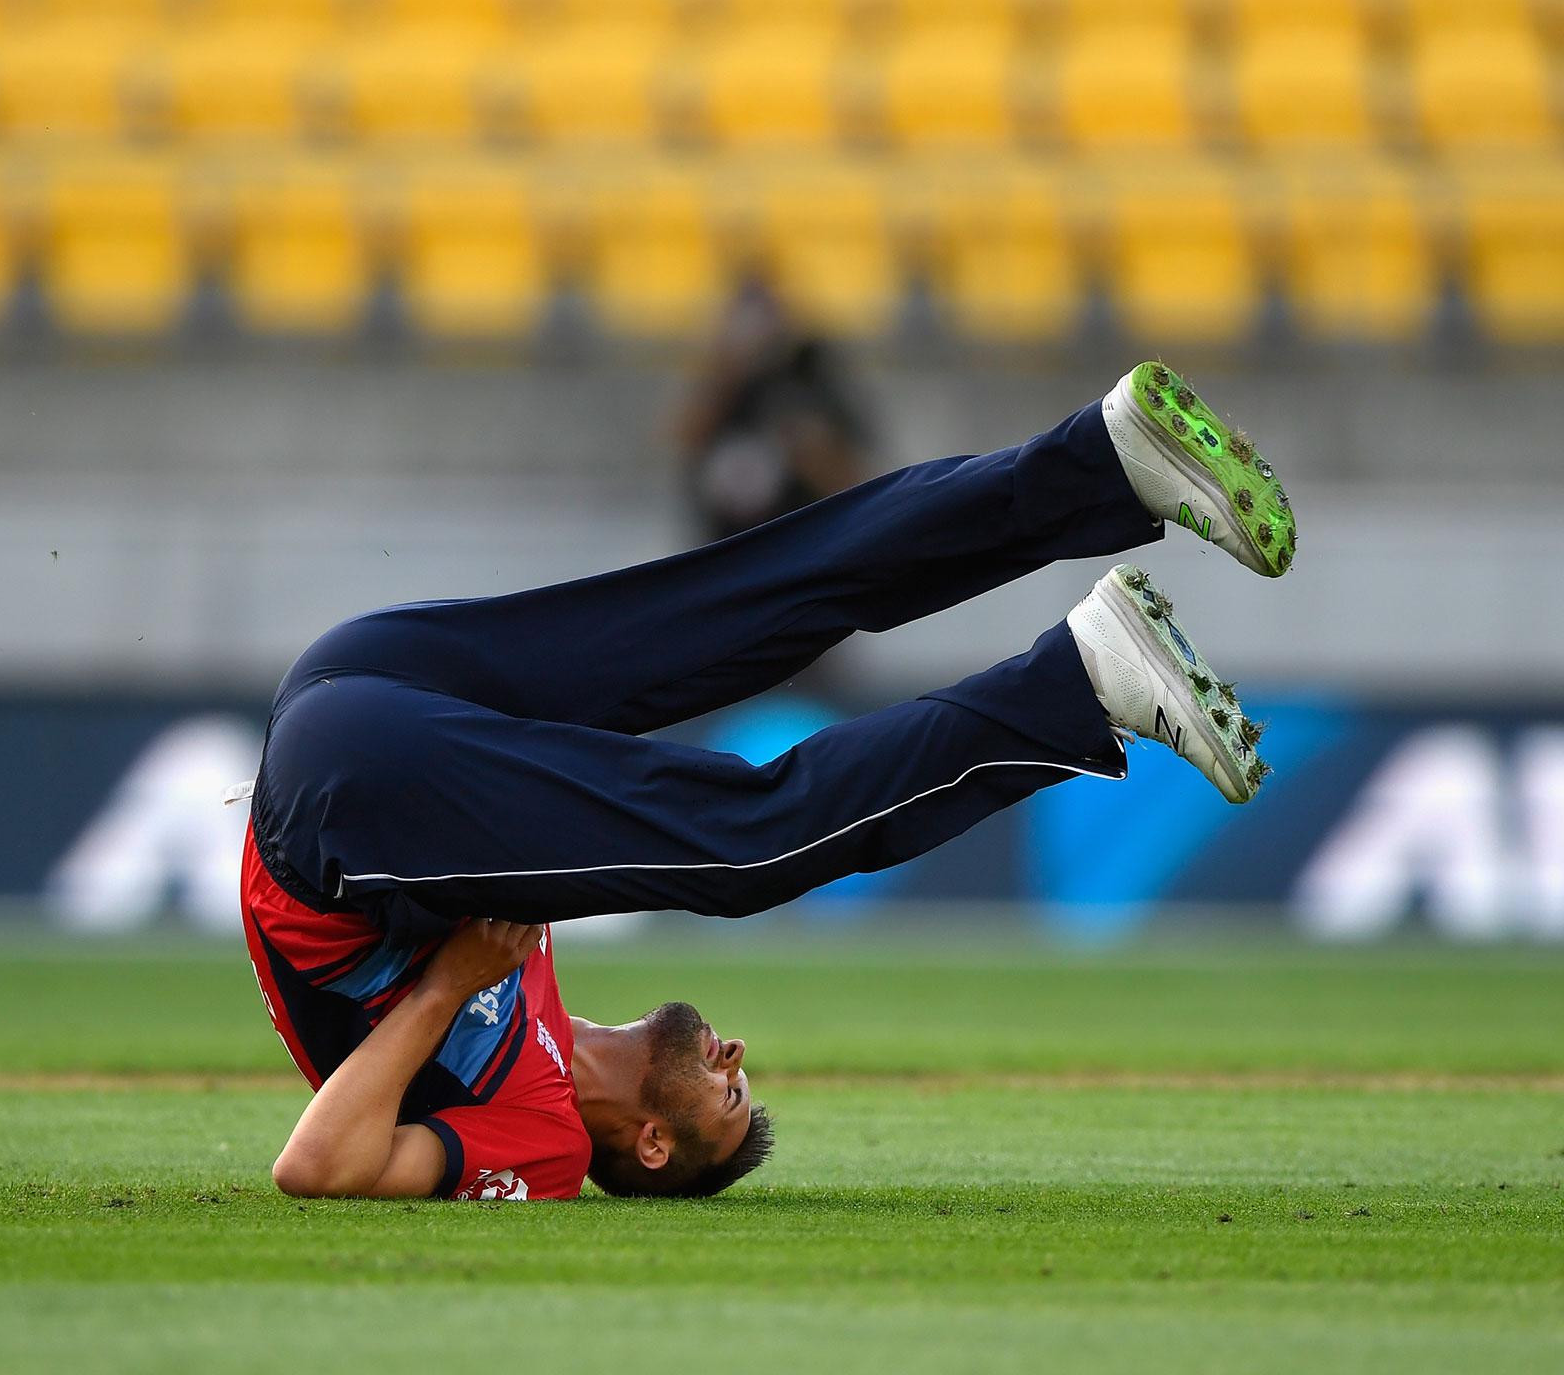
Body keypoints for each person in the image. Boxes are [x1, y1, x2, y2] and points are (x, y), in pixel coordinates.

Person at [244, 362, 1297, 1201]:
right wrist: (458, 975)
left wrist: (443, 988)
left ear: (653, 1147)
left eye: (731, 1095)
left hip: (334, 801)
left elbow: (317, 1168)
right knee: (752, 605)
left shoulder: (539, 1139)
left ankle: (1073, 686)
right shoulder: (529, 1000)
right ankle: (1099, 466)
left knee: (750, 837)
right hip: (367, 715)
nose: (735, 1054)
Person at [677, 276, 869, 543]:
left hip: (799, 549)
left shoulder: (811, 378)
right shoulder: (724, 387)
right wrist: (729, 368)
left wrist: (809, 450)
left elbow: (856, 484)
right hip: (723, 555)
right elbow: (685, 436)